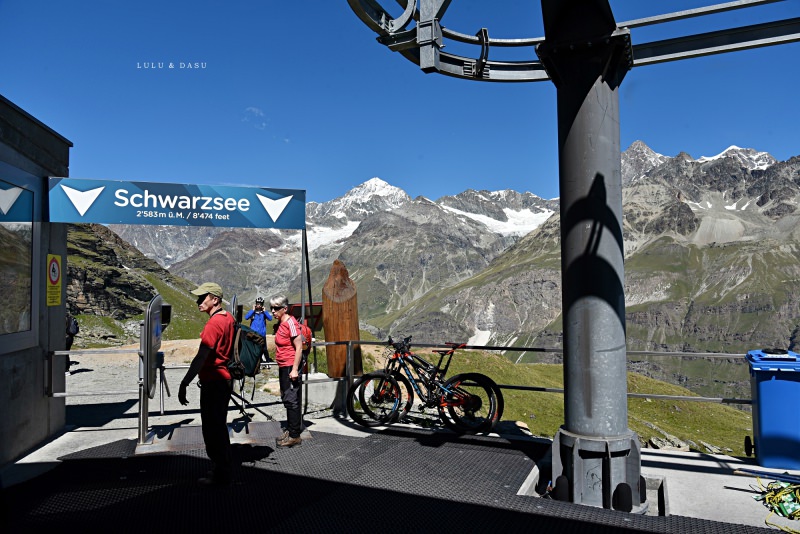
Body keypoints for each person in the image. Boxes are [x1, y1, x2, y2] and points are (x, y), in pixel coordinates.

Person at [178, 282, 236, 485]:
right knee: (219, 427)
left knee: (212, 430)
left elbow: (202, 356)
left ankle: (220, 475)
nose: (198, 301)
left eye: (203, 298)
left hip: (214, 381)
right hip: (225, 380)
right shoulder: (229, 318)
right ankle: (224, 470)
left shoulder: (213, 324)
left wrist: (185, 382)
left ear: (215, 299)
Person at [270, 295, 304, 447]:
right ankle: (291, 430)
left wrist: (295, 369)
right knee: (287, 398)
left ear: (285, 309)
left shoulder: (291, 323)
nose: (273, 311)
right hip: (284, 365)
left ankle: (295, 435)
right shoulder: (281, 323)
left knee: (291, 400)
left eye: (276, 308)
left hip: (290, 366)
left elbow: (299, 347)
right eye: (271, 307)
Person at [244, 296, 272, 361]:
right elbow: (246, 317)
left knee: (264, 349)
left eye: (260, 304)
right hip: (254, 334)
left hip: (262, 334)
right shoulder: (253, 312)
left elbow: (270, 318)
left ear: (262, 305)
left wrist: (265, 311)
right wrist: (253, 310)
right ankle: (257, 361)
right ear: (256, 304)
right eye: (257, 304)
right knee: (254, 348)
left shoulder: (263, 313)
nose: (259, 305)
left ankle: (268, 362)